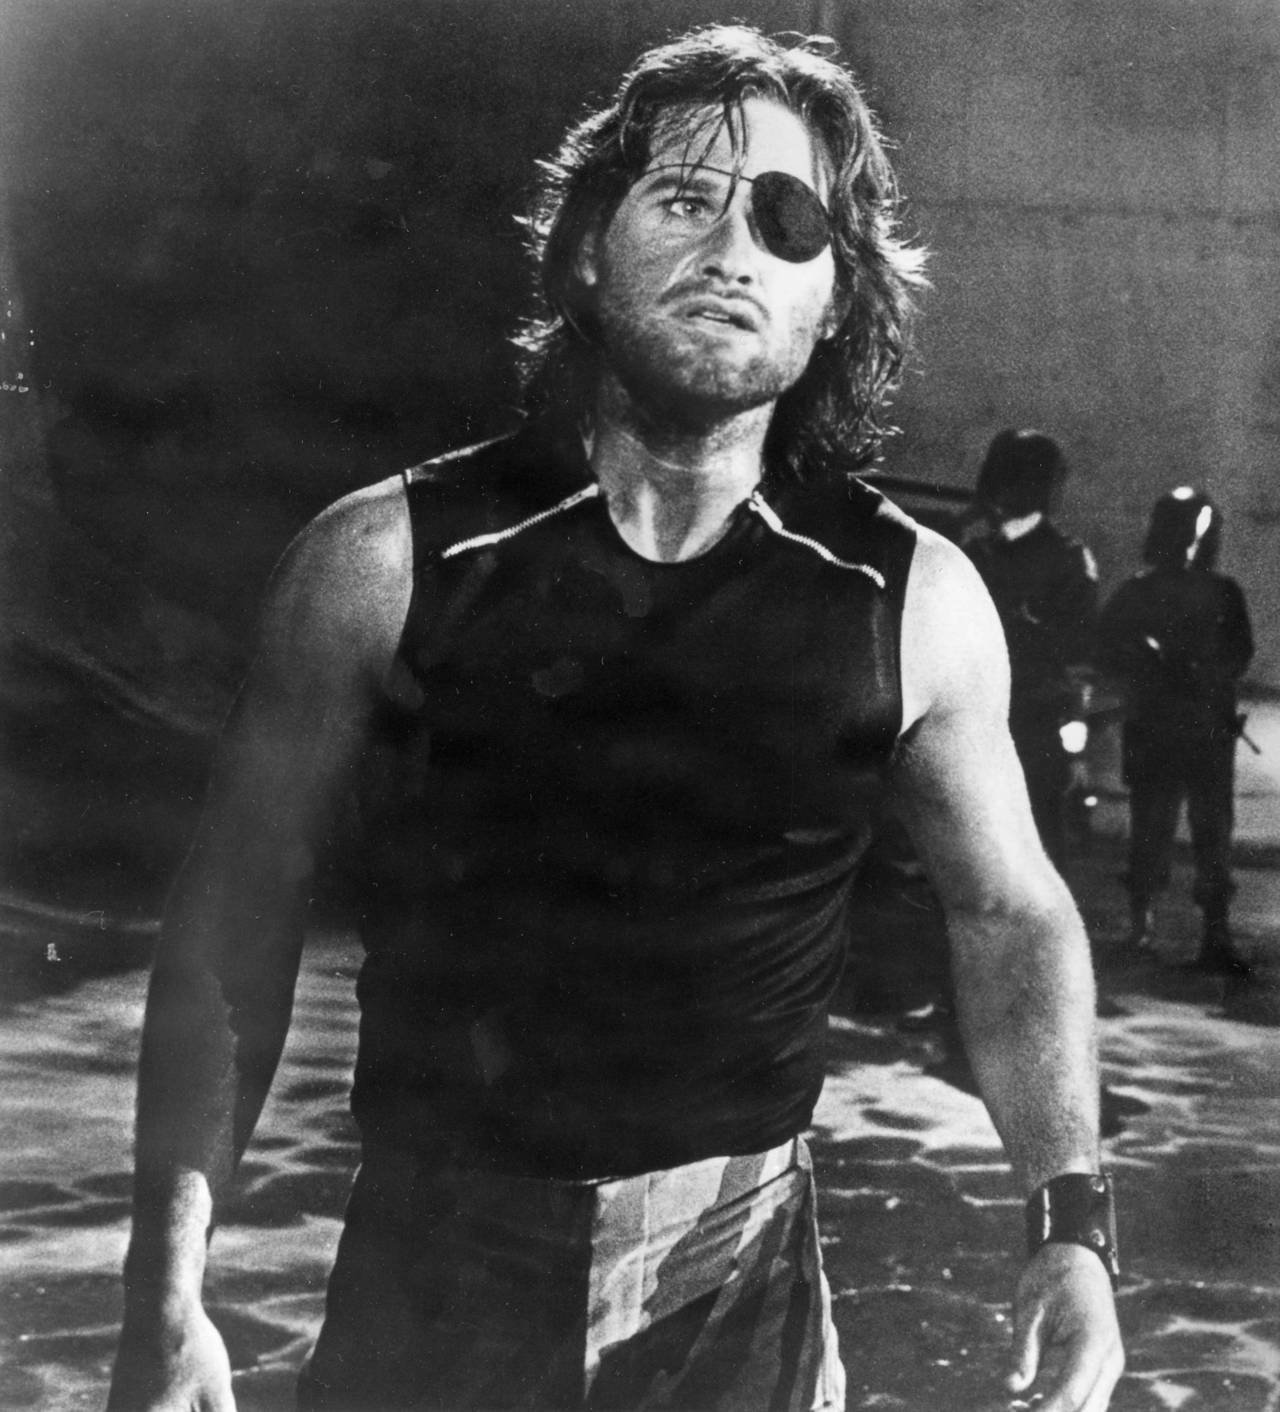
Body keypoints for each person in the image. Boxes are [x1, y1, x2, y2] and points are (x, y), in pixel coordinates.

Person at [109, 25, 1123, 1412]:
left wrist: (1072, 1230)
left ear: (836, 296)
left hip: (740, 1292)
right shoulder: (382, 562)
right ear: (586, 250)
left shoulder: (911, 603)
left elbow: (1009, 915)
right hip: (434, 1278)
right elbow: (236, 915)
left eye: (786, 221)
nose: (733, 250)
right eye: (685, 198)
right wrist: (165, 1287)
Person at [1096, 486, 1254, 973]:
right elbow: (1106, 647)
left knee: (1212, 834)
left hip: (1206, 728)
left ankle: (1215, 932)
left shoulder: (1222, 592)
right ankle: (1141, 926)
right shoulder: (1138, 591)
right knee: (1152, 829)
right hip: (1158, 727)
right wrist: (1148, 662)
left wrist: (1203, 671)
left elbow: (1239, 653)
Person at [960, 429, 1100, 865]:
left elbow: (1077, 653)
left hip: (1036, 720)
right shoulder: (973, 552)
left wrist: (1076, 742)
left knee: (1038, 845)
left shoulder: (1068, 558)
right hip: (976, 718)